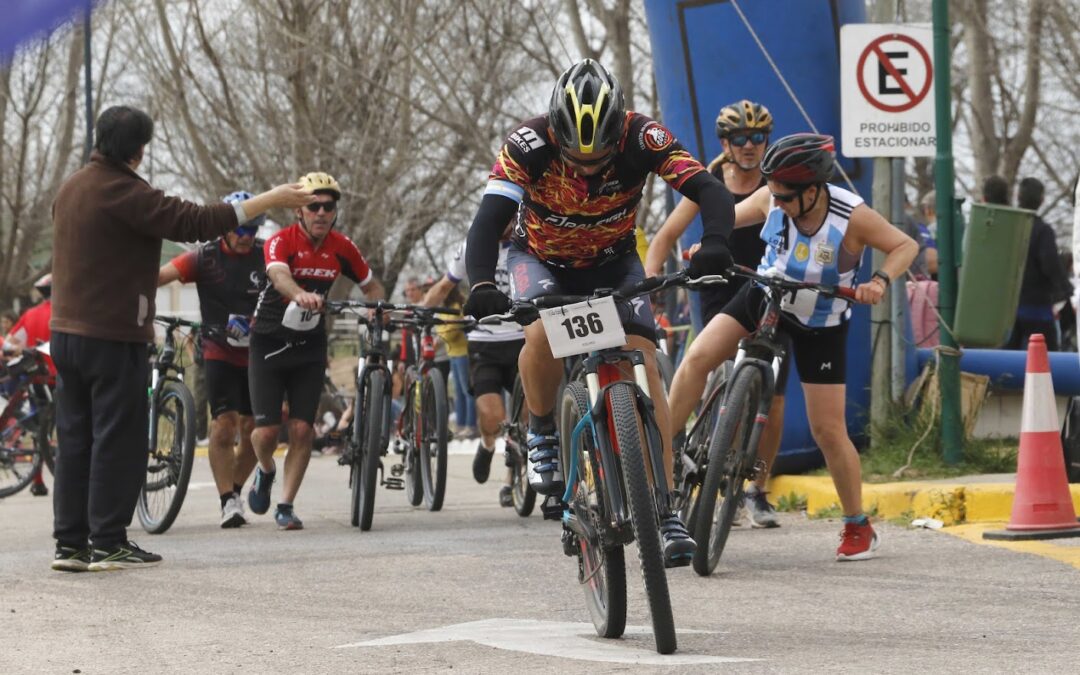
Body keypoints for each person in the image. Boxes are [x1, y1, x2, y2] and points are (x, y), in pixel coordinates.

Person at [463, 59, 736, 566]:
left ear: (617, 131)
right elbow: (487, 221)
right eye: (575, 157)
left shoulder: (643, 137)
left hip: (614, 260)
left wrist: (717, 242)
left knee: (645, 362)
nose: (587, 168)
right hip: (540, 259)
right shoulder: (528, 144)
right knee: (541, 336)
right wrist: (481, 281)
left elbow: (709, 191)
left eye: (599, 157)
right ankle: (542, 429)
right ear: (556, 133)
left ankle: (666, 509)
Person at [49, 104, 313, 572]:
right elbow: (197, 221)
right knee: (118, 436)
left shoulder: (71, 188)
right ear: (138, 150)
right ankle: (108, 539)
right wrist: (269, 199)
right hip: (112, 335)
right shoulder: (125, 192)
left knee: (75, 437)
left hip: (65, 334)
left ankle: (70, 544)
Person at [671, 133, 917, 561]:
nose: (776, 202)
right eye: (774, 194)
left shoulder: (851, 216)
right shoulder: (773, 196)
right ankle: (661, 454)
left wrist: (879, 282)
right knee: (696, 358)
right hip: (766, 293)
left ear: (813, 190)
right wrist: (706, 244)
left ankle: (857, 524)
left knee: (827, 430)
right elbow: (730, 215)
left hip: (821, 320)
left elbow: (904, 245)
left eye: (785, 197)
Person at [645, 98, 782, 528]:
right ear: (726, 141)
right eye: (740, 138)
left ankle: (758, 490)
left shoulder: (776, 184)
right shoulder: (708, 183)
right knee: (702, 363)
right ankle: (660, 464)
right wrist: (650, 285)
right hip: (717, 289)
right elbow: (665, 236)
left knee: (772, 394)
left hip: (768, 288)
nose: (749, 146)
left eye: (758, 137)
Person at [247, 172, 385, 531]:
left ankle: (286, 504)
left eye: (329, 206)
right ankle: (265, 470)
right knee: (264, 433)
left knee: (304, 430)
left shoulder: (342, 246)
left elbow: (372, 287)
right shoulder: (280, 241)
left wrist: (377, 306)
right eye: (314, 206)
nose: (322, 212)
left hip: (309, 345)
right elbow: (278, 276)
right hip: (269, 341)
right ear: (299, 211)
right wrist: (299, 294)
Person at [157, 191, 267, 528]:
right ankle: (227, 502)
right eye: (241, 230)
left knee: (256, 430)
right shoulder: (203, 257)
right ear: (225, 229)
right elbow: (160, 276)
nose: (247, 238)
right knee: (223, 426)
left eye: (254, 230)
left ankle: (234, 490)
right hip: (217, 350)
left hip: (257, 353)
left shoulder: (265, 255)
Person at [425, 233, 524, 507]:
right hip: (484, 342)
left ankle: (510, 479)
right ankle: (488, 443)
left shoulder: (530, 239)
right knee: (493, 415)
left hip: (522, 339)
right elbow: (446, 286)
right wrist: (420, 311)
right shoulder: (473, 244)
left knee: (526, 419)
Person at [5, 273, 56, 497]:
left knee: (38, 428)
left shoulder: (30, 314)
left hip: (35, 378)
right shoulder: (64, 313)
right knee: (65, 429)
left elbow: (9, 344)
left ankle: (37, 480)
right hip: (60, 378)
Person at [1006, 177, 1071, 351]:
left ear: (1018, 196)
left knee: (1007, 360)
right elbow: (1050, 265)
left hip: (1006, 309)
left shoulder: (1007, 227)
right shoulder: (1042, 230)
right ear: (1042, 200)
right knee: (1048, 359)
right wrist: (1066, 289)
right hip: (1037, 307)